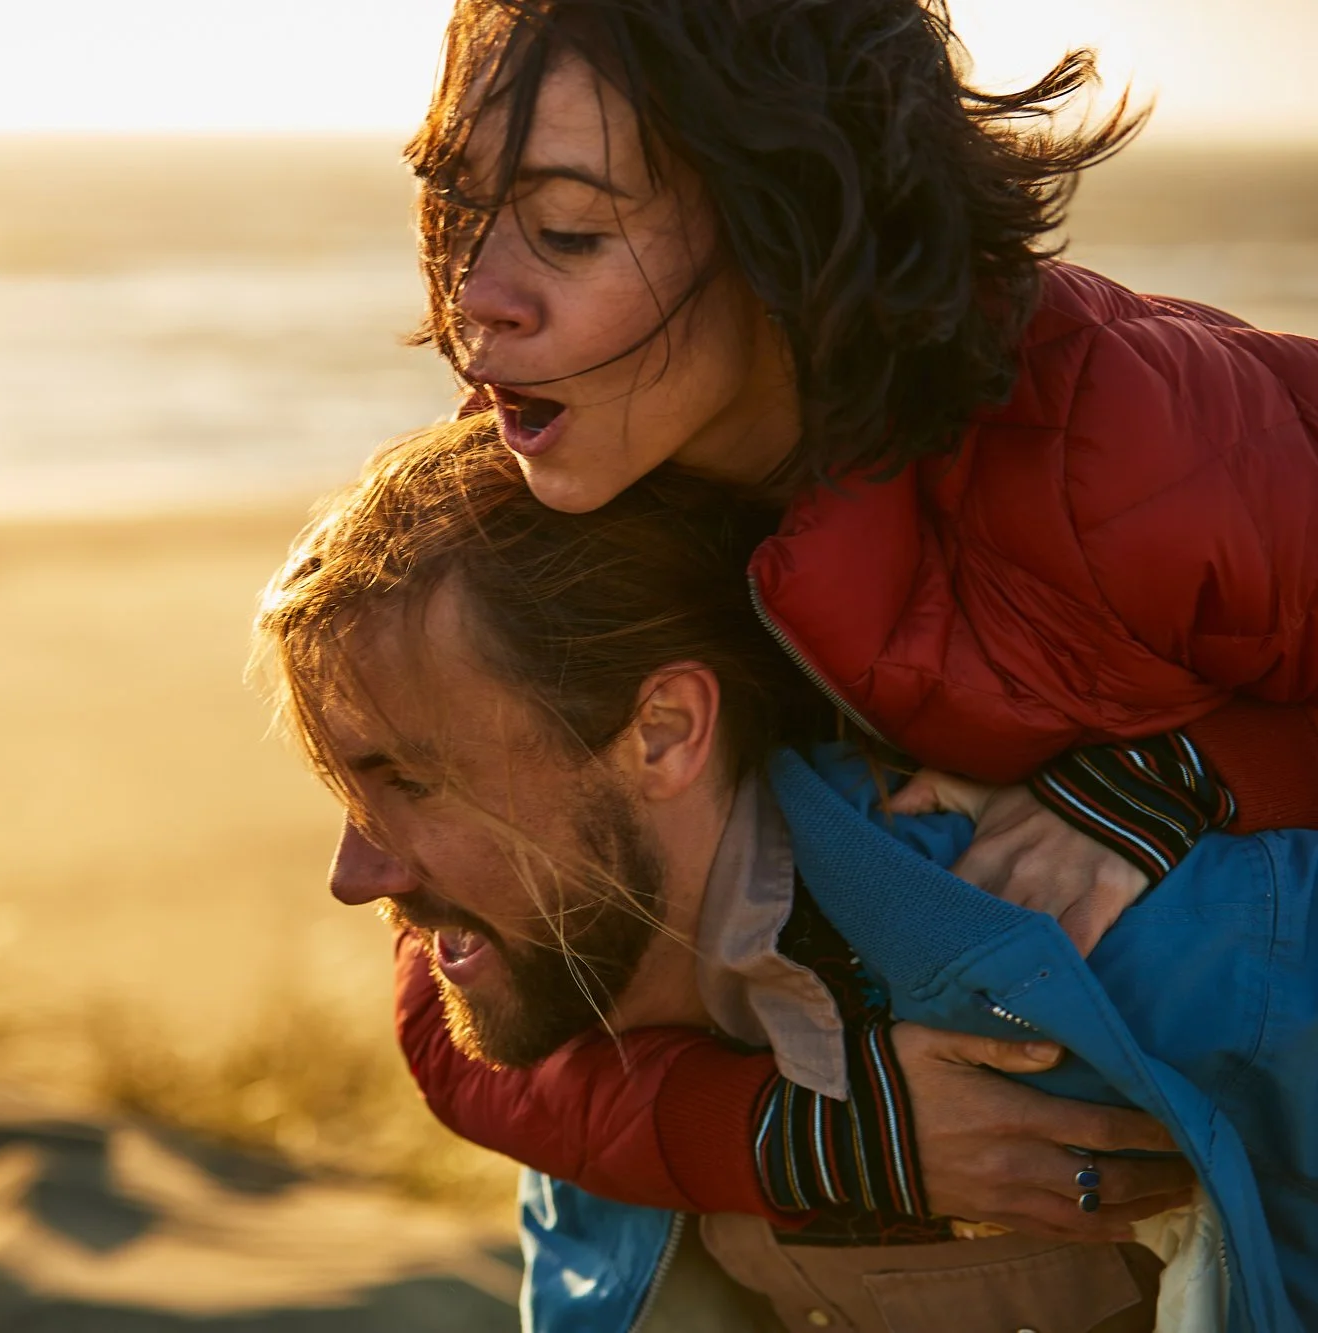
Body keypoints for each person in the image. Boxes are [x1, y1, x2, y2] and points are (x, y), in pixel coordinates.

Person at [386, 0, 1318, 1241]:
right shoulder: (533, 499)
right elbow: (447, 1006)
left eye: (564, 228)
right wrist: (804, 1134)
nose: (474, 295)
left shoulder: (1115, 431)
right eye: (456, 204)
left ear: (792, 230)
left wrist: (1193, 774)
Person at [253, 418, 1314, 1331]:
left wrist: (1205, 766)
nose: (354, 876)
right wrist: (786, 1140)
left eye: (409, 781)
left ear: (663, 732)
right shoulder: (567, 966)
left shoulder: (1049, 936)